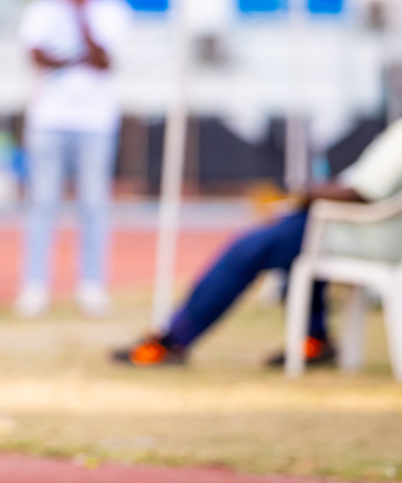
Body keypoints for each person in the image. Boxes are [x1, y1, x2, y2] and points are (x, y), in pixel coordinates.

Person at [114, 118, 402, 367]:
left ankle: (172, 340)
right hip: (352, 227)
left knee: (246, 250)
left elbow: (362, 192)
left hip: (356, 231)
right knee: (286, 246)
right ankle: (313, 340)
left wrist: (302, 194)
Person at [14, 0, 131, 319]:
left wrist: (81, 18)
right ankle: (35, 286)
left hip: (95, 121)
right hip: (48, 118)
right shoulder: (42, 9)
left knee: (94, 205)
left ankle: (91, 285)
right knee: (42, 203)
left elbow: (104, 60)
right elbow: (35, 56)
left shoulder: (110, 11)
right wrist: (72, 59)